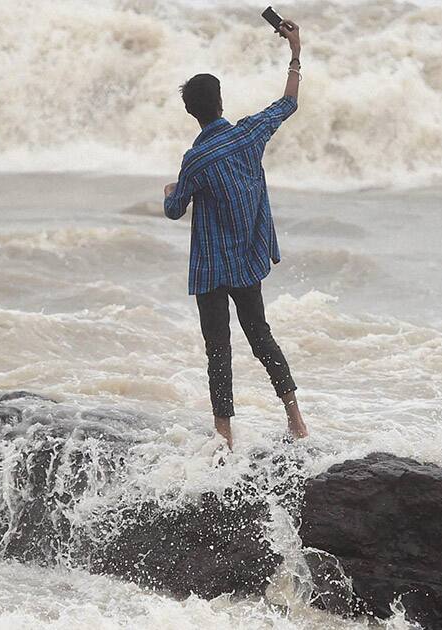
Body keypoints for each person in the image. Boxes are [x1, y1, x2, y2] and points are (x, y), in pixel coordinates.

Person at [163, 19, 309, 450]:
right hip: (246, 260)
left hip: (210, 269)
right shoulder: (248, 133)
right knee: (260, 336)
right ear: (221, 102)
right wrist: (295, 52)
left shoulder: (196, 159)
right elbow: (287, 104)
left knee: (218, 350)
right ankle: (296, 419)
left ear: (192, 111)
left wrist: (170, 190)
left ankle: (224, 436)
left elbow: (175, 210)